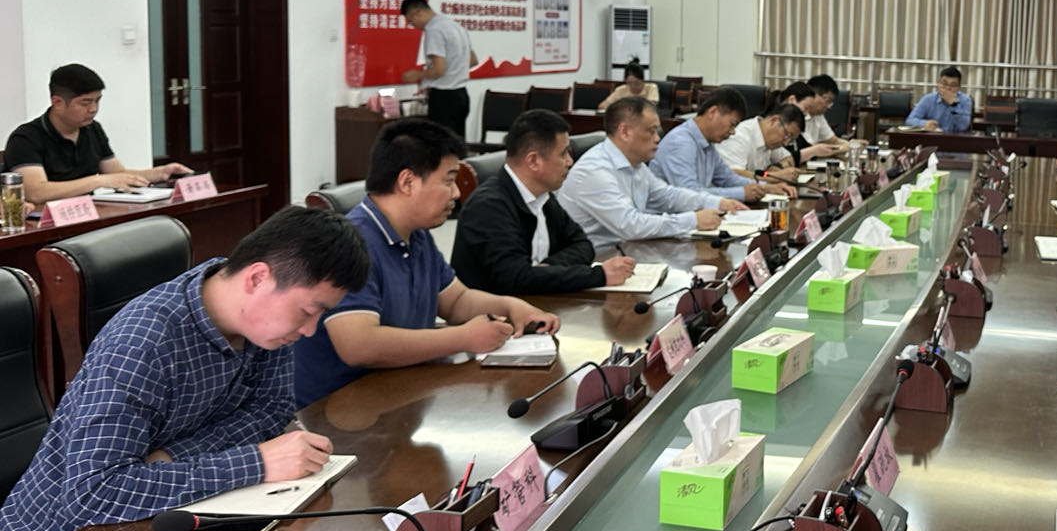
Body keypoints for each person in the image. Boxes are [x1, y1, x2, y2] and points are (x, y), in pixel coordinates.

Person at [0, 205, 371, 531]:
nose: (309, 330)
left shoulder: (262, 326)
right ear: (257, 278)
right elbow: (94, 494)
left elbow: (270, 410)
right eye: (308, 311)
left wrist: (175, 456)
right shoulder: (142, 343)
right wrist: (255, 463)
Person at [292, 118, 559, 407]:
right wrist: (463, 338)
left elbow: (456, 301)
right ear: (407, 182)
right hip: (340, 409)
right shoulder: (352, 244)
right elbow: (359, 345)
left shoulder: (416, 234)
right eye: (448, 180)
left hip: (399, 393)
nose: (456, 193)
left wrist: (511, 307)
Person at [450, 108, 637, 295]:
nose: (570, 162)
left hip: (538, 301)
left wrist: (547, 269)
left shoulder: (543, 196)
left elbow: (583, 245)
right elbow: (515, 278)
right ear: (533, 161)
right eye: (563, 154)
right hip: (494, 310)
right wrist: (599, 275)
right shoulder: (489, 207)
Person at [559, 96, 745, 253]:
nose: (657, 138)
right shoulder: (595, 171)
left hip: (627, 253)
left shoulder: (636, 165)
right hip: (595, 263)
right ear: (625, 132)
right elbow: (631, 225)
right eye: (651, 131)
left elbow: (667, 196)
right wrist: (693, 220)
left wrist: (716, 203)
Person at [4, 63, 193, 203]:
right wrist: (98, 181)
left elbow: (117, 174)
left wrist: (160, 173)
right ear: (58, 102)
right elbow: (36, 192)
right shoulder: (25, 138)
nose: (93, 109)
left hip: (87, 214)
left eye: (97, 101)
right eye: (85, 103)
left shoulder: (92, 129)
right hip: (45, 223)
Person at [651, 88, 775, 203]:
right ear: (712, 112)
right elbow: (689, 193)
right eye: (732, 124)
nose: (733, 132)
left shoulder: (707, 143)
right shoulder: (681, 142)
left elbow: (727, 178)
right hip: (666, 216)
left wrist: (765, 187)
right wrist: (741, 193)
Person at [398, 0, 476, 137]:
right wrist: (454, 69)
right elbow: (472, 60)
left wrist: (417, 74)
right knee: (456, 144)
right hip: (461, 95)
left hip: (444, 99)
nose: (413, 26)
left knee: (441, 145)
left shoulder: (434, 30)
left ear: (418, 13)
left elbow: (439, 70)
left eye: (411, 21)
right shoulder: (456, 26)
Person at [718, 102, 806, 185]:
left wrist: (777, 167)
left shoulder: (770, 140)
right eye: (787, 136)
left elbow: (788, 158)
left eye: (790, 140)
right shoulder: (739, 136)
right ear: (774, 120)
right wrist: (775, 176)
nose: (786, 143)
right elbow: (733, 175)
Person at [904, 66, 972, 132]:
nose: (948, 88)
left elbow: (963, 127)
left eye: (953, 85)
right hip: (932, 137)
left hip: (955, 138)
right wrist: (925, 123)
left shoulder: (966, 100)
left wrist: (953, 105)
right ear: (938, 84)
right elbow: (910, 120)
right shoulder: (928, 99)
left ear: (959, 87)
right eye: (944, 84)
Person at [804, 74, 851, 155]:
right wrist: (843, 148)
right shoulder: (797, 115)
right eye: (828, 101)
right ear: (813, 95)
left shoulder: (818, 115)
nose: (829, 106)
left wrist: (849, 145)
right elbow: (811, 150)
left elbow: (834, 140)